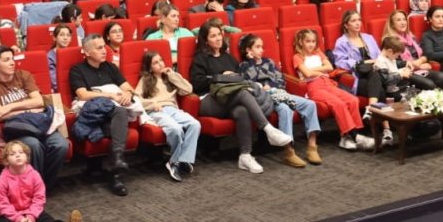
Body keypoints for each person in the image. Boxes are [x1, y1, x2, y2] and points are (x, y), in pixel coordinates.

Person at [189, 21, 291, 174]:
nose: (218, 38)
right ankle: (268, 129)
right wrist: (220, 77)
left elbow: (242, 78)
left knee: (242, 110)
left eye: (219, 34)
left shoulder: (228, 58)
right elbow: (196, 84)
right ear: (205, 40)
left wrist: (233, 77)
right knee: (241, 93)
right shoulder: (200, 58)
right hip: (209, 100)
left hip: (229, 100)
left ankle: (245, 155)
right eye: (213, 36)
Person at [0, 46, 70, 190]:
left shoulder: (23, 75)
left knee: (61, 145)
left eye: (12, 59)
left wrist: (10, 107)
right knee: (33, 146)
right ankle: (34, 187)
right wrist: (28, 109)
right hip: (18, 129)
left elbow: (39, 102)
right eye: (6, 60)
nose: (12, 63)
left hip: (40, 123)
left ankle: (42, 186)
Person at [69, 35, 138, 196]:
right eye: (99, 48)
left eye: (104, 47)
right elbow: (83, 95)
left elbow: (128, 87)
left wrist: (127, 94)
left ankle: (115, 170)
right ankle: (116, 166)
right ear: (86, 52)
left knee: (118, 118)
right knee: (120, 122)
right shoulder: (77, 69)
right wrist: (110, 96)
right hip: (92, 113)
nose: (104, 50)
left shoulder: (110, 67)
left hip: (112, 115)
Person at [239, 34, 322, 167]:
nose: (261, 50)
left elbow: (281, 80)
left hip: (279, 93)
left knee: (310, 104)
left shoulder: (269, 62)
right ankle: (289, 152)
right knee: (285, 109)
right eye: (257, 47)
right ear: (249, 50)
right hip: (264, 98)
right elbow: (248, 84)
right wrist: (252, 64)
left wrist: (271, 86)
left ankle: (312, 146)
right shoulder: (244, 66)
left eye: (262, 47)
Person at [0, 141, 82, 222]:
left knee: (48, 221)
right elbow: (2, 204)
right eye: (12, 154)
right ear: (6, 161)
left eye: (21, 152)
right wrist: (18, 218)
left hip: (32, 211)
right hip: (10, 215)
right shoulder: (2, 180)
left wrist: (32, 216)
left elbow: (39, 198)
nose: (17, 155)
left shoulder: (34, 175)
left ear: (27, 157)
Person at [292, 28, 371, 151]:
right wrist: (320, 70)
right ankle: (355, 136)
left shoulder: (318, 53)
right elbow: (307, 74)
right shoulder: (297, 57)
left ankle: (346, 137)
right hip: (314, 87)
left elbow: (329, 67)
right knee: (338, 104)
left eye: (313, 41)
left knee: (352, 100)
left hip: (329, 83)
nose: (311, 44)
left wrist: (315, 70)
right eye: (308, 41)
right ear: (301, 42)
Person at [133, 51, 201, 180]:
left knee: (195, 124)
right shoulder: (146, 80)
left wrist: (172, 74)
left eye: (161, 60)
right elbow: (137, 99)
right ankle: (175, 162)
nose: (160, 64)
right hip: (157, 111)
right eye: (155, 63)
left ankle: (182, 161)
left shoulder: (170, 77)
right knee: (176, 129)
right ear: (149, 67)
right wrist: (152, 104)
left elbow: (188, 89)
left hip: (173, 109)